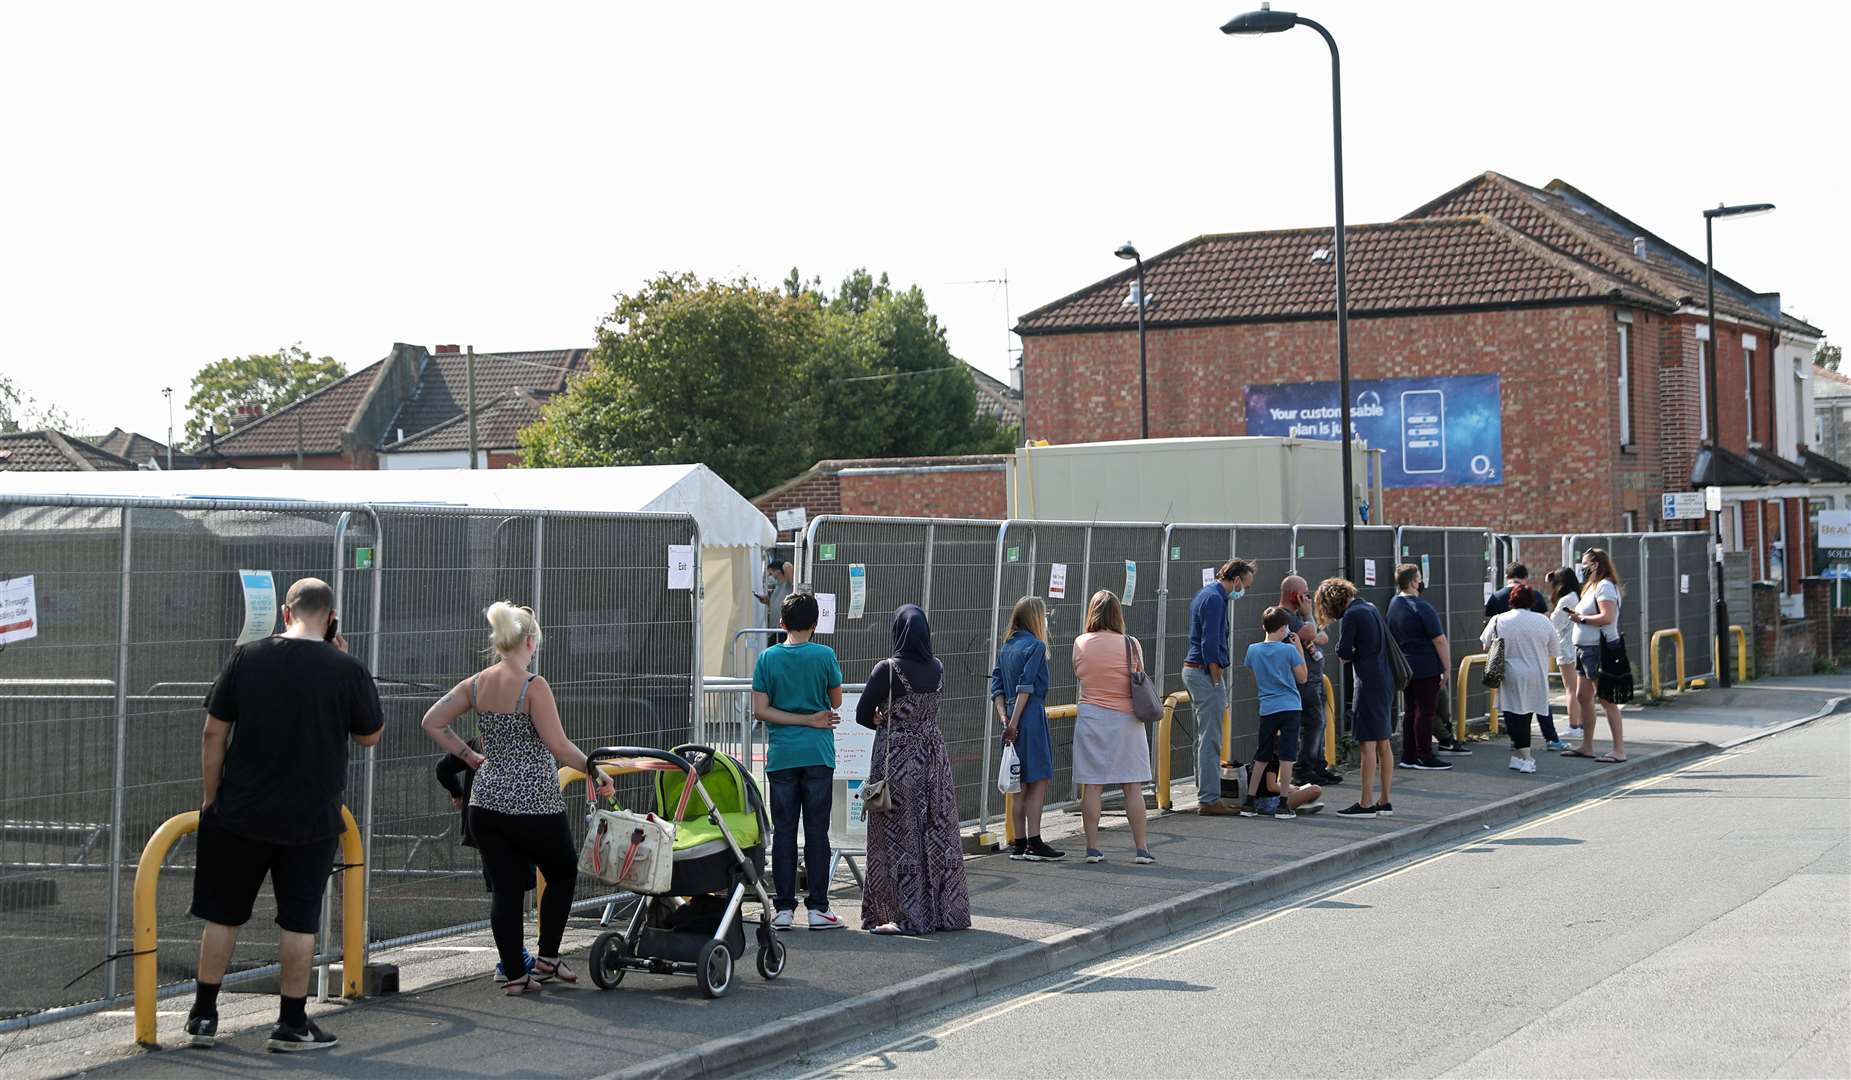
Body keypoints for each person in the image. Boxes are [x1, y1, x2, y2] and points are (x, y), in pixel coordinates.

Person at [187, 578, 383, 1052]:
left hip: (240, 811)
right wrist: (343, 657)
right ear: (331, 616)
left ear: (284, 611)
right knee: (298, 922)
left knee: (223, 915)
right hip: (310, 818)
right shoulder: (346, 667)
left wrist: (213, 796)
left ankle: (203, 1017)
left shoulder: (247, 657)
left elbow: (214, 732)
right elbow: (369, 735)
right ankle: (291, 1023)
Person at [421, 602, 616, 994]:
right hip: (534, 801)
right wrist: (595, 770)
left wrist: (469, 756)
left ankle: (515, 974)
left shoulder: (476, 683)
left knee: (507, 889)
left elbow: (432, 721)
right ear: (530, 641)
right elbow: (559, 747)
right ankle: (546, 956)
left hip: (487, 802)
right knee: (561, 870)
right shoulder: (533, 686)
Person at [856, 605, 972, 934]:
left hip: (897, 763)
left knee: (895, 836)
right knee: (937, 834)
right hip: (935, 761)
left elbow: (863, 713)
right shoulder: (937, 667)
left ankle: (900, 915)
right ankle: (945, 912)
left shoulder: (888, 670)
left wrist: (881, 716)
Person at [751, 591, 847, 928]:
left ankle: (784, 908)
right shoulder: (825, 655)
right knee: (818, 831)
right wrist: (810, 718)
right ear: (815, 623)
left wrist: (795, 718)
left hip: (781, 755)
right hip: (818, 752)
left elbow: (760, 710)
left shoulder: (767, 659)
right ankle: (819, 907)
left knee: (784, 832)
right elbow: (835, 701)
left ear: (782, 623)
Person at [434, 739, 535, 981]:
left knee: (504, 891)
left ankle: (512, 958)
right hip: (513, 822)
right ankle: (511, 961)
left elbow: (443, 768)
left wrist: (457, 792)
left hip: (482, 825)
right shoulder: (521, 740)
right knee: (511, 891)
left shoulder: (478, 741)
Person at [1070, 590, 1155, 864]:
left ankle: (1092, 848)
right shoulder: (1131, 644)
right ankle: (1141, 849)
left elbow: (1079, 673)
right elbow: (1139, 674)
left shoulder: (1080, 643)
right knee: (1132, 786)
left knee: (1092, 786)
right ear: (1118, 614)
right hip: (1126, 720)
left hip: (1092, 718)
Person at [1180, 558, 1256, 816]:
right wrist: (1215, 676)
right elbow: (1211, 643)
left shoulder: (1207, 595)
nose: (1243, 590)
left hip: (1194, 671)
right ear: (1235, 580)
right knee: (1211, 738)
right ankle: (1209, 798)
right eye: (1244, 584)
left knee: (1202, 738)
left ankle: (1205, 791)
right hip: (1203, 672)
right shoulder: (1215, 599)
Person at [991, 596, 1063, 860]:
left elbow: (997, 687)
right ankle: (1035, 841)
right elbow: (1027, 686)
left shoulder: (1006, 647)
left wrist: (1005, 719)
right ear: (1036, 617)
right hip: (1029, 716)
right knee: (1038, 780)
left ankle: (1019, 842)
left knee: (1018, 782)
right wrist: (1015, 722)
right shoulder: (1035, 646)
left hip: (1009, 712)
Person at [1320, 577, 1395, 819]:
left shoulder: (1352, 615)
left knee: (1367, 743)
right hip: (1385, 680)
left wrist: (1348, 652)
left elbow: (1343, 651)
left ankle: (1365, 803)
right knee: (1384, 743)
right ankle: (1384, 801)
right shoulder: (1370, 608)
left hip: (1367, 682)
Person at [1482, 584, 1560, 774]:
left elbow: (1486, 645)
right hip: (1536, 674)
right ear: (1532, 601)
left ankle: (1525, 758)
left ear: (1511, 601)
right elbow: (1554, 650)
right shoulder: (1543, 621)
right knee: (1527, 715)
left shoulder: (1499, 619)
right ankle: (1519, 756)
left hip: (1510, 673)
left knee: (1513, 716)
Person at [1242, 606, 1308, 818]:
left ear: (1264, 627)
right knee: (1287, 756)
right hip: (1290, 706)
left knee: (1262, 754)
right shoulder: (1288, 650)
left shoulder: (1252, 650)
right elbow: (1302, 677)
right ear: (1284, 628)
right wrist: (1298, 647)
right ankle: (1283, 804)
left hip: (1267, 707)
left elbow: (1254, 680)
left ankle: (1249, 802)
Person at [1387, 564, 1454, 771]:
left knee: (1410, 710)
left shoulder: (1394, 604)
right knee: (1426, 711)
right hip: (1426, 665)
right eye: (1419, 578)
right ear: (1413, 582)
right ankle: (1424, 755)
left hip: (1405, 666)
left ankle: (1409, 755)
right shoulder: (1422, 607)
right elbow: (1439, 640)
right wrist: (1447, 666)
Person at [1563, 548, 1628, 763]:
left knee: (1607, 698)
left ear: (1596, 564)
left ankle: (1618, 750)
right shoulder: (1592, 587)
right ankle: (1587, 746)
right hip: (1585, 648)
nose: (1582, 568)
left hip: (1599, 648)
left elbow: (1607, 616)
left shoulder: (1605, 586)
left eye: (1585, 564)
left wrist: (1580, 619)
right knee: (1583, 696)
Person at [1280, 575, 1342, 786]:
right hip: (1303, 680)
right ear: (1295, 596)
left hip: (1315, 677)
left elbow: (1321, 636)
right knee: (1313, 723)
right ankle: (1304, 768)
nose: (1308, 598)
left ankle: (1317, 764)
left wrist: (1310, 627)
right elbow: (1311, 632)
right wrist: (1308, 616)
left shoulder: (1300, 617)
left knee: (1319, 723)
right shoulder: (1285, 616)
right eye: (1305, 594)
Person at [1544, 566, 1583, 749]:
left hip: (1566, 647)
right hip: (1577, 645)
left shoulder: (1566, 600)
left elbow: (1554, 623)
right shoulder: (1577, 596)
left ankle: (1574, 725)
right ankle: (1579, 724)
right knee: (1578, 688)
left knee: (1570, 688)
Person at [1249, 756, 1325, 816]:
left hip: (1264, 800)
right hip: (1268, 802)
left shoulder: (1262, 754)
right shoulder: (1272, 759)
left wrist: (1291, 787)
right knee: (1316, 789)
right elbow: (1271, 786)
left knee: (1313, 792)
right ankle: (1293, 806)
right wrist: (1291, 789)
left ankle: (1297, 805)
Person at [1485, 562, 1552, 617]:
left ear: (1506, 577)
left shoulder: (1496, 597)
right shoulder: (1536, 596)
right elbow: (1545, 618)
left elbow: (1489, 620)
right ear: (1526, 577)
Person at [755, 557, 794, 645]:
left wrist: (783, 564)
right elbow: (776, 605)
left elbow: (787, 566)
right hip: (774, 631)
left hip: (783, 631)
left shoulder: (788, 584)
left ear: (778, 572)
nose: (769, 577)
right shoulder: (777, 587)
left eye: (770, 573)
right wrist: (766, 601)